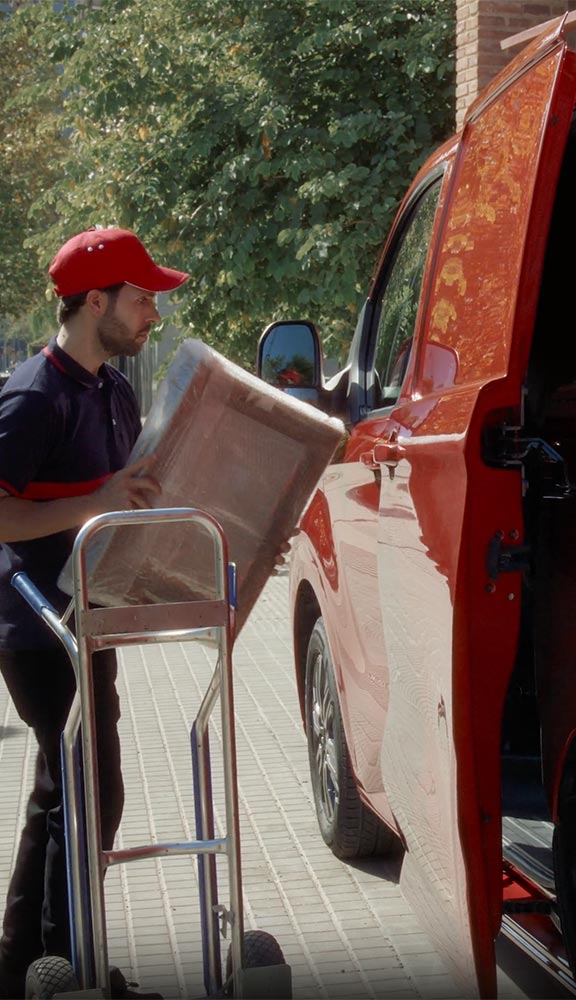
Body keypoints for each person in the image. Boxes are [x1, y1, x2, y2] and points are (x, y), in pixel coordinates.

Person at [0, 228, 188, 998]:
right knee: (89, 792)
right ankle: (71, 969)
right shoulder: (30, 396)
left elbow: (129, 498)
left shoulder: (112, 388)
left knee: (62, 791)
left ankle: (23, 967)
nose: (154, 313)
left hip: (92, 614)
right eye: (142, 298)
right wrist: (95, 503)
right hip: (37, 625)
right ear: (96, 301)